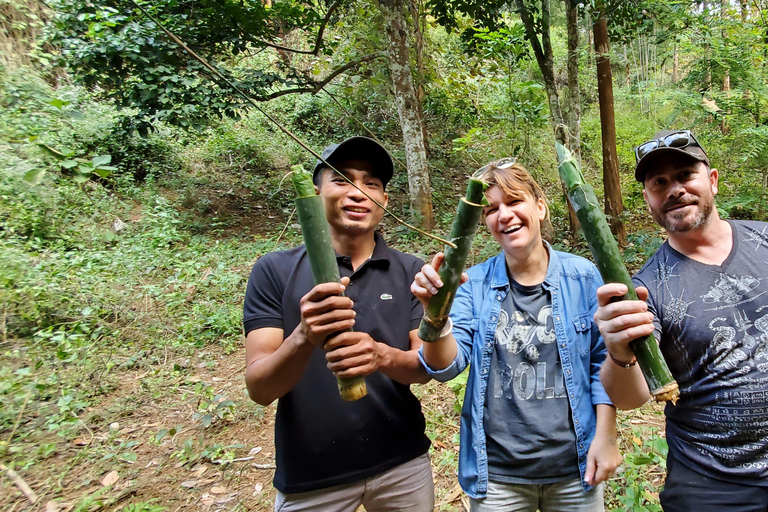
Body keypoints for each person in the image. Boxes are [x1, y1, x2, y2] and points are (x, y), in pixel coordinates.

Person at [411, 158, 621, 511]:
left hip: (575, 467)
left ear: (539, 207)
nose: (503, 215)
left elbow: (604, 361)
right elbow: (446, 366)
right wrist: (436, 316)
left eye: (514, 201)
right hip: (498, 475)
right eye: (491, 209)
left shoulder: (583, 276)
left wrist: (606, 436)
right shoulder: (472, 283)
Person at [243, 136, 433, 512]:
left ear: (385, 201)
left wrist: (380, 356)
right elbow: (260, 388)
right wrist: (304, 336)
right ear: (315, 194)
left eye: (371, 183)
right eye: (343, 180)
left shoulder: (411, 269)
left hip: (402, 463)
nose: (359, 192)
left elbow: (423, 369)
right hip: (312, 475)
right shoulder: (274, 270)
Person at [594, 129, 768, 511]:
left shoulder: (765, 241)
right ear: (648, 199)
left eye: (685, 175)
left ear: (713, 180)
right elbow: (630, 397)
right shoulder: (644, 289)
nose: (674, 189)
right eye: (660, 183)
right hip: (714, 485)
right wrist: (619, 351)